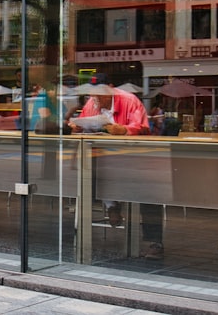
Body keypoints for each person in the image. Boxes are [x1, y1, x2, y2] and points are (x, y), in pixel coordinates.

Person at [68, 73, 165, 259]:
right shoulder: (91, 103)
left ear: (111, 88)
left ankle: (155, 242)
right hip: (104, 159)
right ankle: (110, 206)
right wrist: (77, 127)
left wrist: (125, 130)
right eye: (91, 94)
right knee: (85, 179)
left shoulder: (130, 100)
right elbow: (84, 124)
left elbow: (144, 128)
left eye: (99, 94)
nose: (95, 99)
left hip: (134, 159)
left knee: (150, 194)